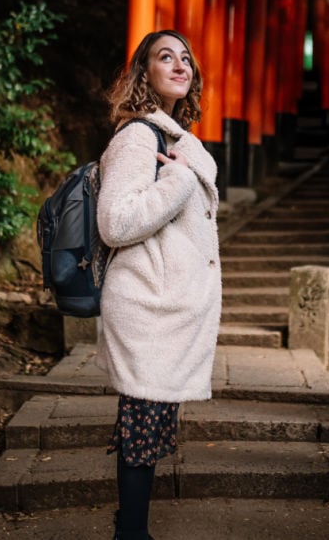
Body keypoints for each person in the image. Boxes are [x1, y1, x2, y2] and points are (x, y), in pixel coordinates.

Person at [95, 29, 222, 540]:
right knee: (143, 423)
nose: (179, 64)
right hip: (147, 302)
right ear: (143, 72)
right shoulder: (137, 138)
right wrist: (178, 182)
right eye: (164, 56)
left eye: (185, 58)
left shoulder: (177, 140)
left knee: (150, 423)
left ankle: (130, 526)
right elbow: (116, 223)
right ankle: (131, 532)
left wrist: (182, 174)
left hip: (169, 305)